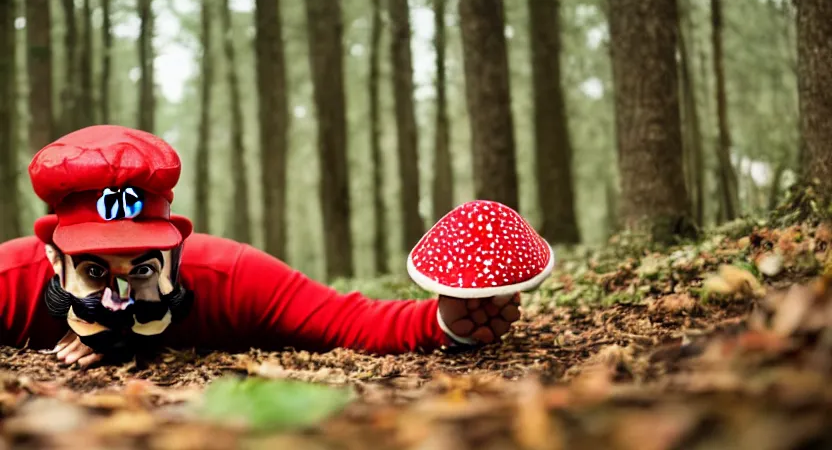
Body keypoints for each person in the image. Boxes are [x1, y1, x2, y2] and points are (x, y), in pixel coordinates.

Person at [0, 125, 522, 367]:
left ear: (178, 252)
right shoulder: (9, 279)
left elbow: (346, 321)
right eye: (94, 272)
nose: (120, 297)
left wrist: (450, 320)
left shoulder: (230, 275)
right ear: (52, 258)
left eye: (140, 270)